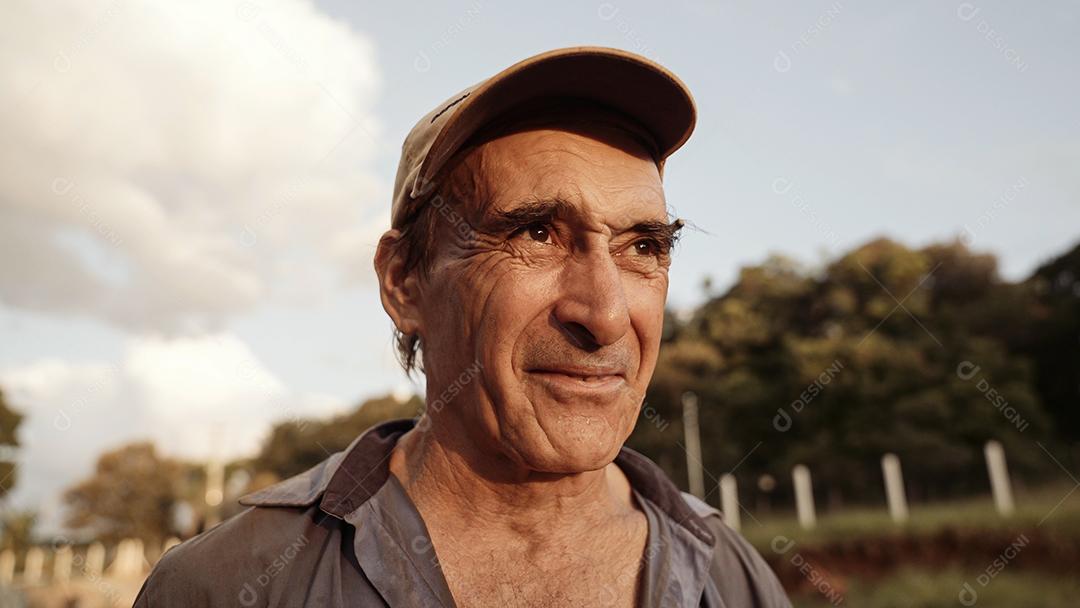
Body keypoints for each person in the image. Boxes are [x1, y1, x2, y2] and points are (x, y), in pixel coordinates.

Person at [134, 46, 792, 608]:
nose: (606, 314)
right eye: (535, 234)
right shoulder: (230, 585)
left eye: (643, 247)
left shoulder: (731, 578)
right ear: (403, 282)